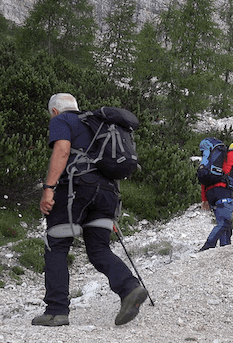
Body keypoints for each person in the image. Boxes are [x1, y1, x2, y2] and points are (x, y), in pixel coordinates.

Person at [34, 93, 148, 327]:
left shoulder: (62, 121)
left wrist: (48, 189)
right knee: (98, 249)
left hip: (76, 189)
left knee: (56, 246)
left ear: (55, 111)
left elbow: (62, 151)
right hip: (107, 193)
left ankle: (56, 311)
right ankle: (130, 287)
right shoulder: (98, 123)